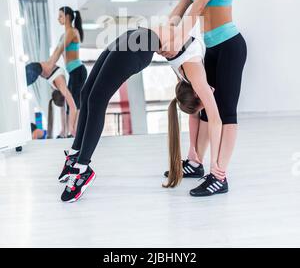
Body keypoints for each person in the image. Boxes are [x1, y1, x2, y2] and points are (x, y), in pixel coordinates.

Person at [58, 25, 225, 203]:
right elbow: (197, 116)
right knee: (87, 93)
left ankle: (82, 168)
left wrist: (214, 162)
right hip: (135, 35)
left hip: (141, 43)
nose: (211, 94)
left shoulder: (195, 76)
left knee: (97, 99)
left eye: (203, 103)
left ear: (197, 93)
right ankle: (75, 154)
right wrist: (194, 148)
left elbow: (215, 120)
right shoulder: (191, 77)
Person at [160, 0, 247, 196]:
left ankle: (219, 175)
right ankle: (195, 162)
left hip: (231, 47)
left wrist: (176, 41)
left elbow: (197, 9)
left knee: (225, 112)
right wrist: (161, 35)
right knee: (202, 105)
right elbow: (180, 8)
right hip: (212, 47)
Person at [43, 7, 87, 136]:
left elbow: (60, 49)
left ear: (67, 17)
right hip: (73, 72)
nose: (58, 18)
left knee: (75, 102)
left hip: (78, 71)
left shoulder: (72, 32)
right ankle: (68, 131)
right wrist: (47, 66)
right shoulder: (64, 35)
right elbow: (56, 52)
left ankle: (74, 132)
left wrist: (48, 66)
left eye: (60, 16)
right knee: (70, 102)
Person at [26, 62, 77, 138]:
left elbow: (64, 110)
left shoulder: (61, 87)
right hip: (36, 70)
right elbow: (72, 108)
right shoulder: (60, 87)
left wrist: (67, 129)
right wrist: (70, 128)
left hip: (37, 70)